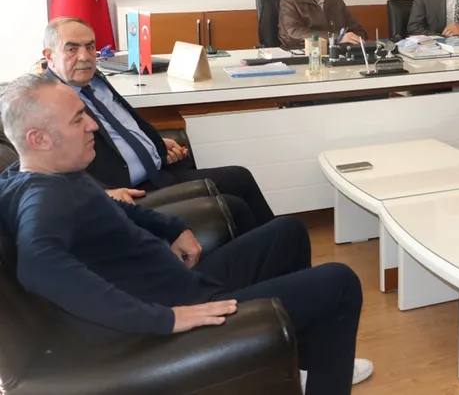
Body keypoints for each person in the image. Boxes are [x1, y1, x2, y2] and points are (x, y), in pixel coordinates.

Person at [0, 74, 373, 395]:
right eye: (78, 119)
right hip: (173, 314)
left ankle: (302, 363)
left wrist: (173, 227)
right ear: (39, 139)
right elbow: (40, 267)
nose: (92, 125)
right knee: (339, 283)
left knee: (288, 232)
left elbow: (113, 206)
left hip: (180, 283)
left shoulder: (41, 172)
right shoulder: (44, 200)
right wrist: (165, 319)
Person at [42, 17, 274, 236]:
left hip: (158, 172)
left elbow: (122, 125)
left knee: (240, 178)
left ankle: (276, 249)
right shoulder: (48, 101)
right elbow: (48, 166)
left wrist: (154, 145)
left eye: (90, 47)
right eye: (72, 49)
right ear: (49, 56)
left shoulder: (94, 79)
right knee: (233, 206)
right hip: (128, 190)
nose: (85, 56)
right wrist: (103, 192)